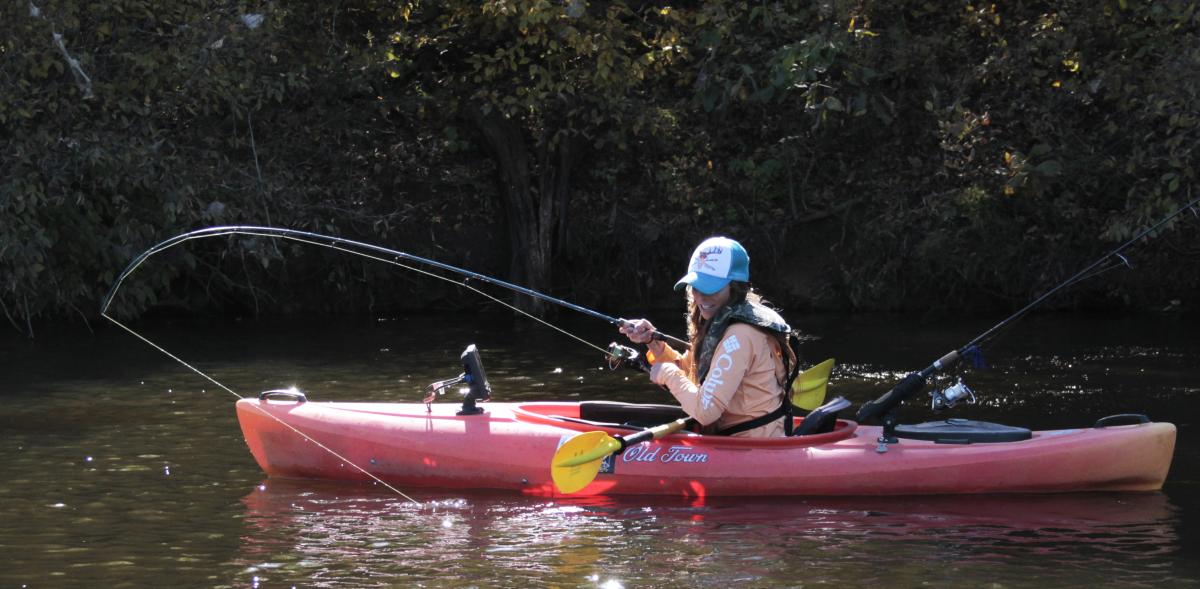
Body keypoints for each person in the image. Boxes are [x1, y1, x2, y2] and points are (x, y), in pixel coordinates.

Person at [619, 236, 797, 437]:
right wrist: (655, 345)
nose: (701, 297)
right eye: (696, 287)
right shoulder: (728, 320)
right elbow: (696, 374)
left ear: (735, 287)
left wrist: (668, 373)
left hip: (754, 446)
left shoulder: (740, 336)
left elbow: (706, 412)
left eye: (711, 287)